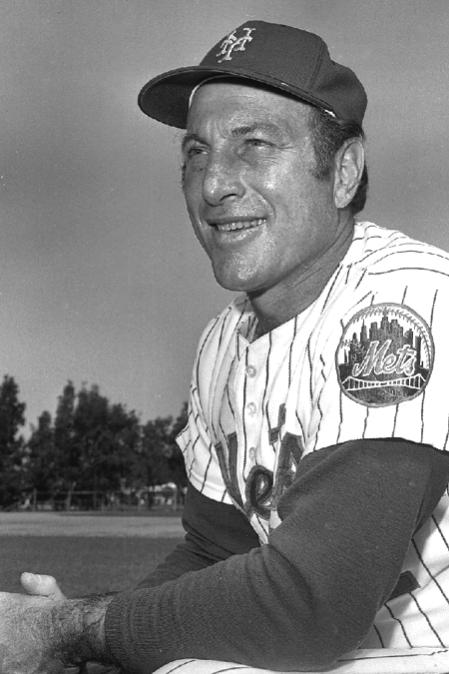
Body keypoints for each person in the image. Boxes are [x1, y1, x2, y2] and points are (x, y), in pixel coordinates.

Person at [0, 19, 449, 674]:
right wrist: (104, 647)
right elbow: (215, 552)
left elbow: (312, 605)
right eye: (196, 153)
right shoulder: (223, 341)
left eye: (254, 145)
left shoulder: (404, 302)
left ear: (343, 171)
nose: (213, 184)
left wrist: (70, 630)